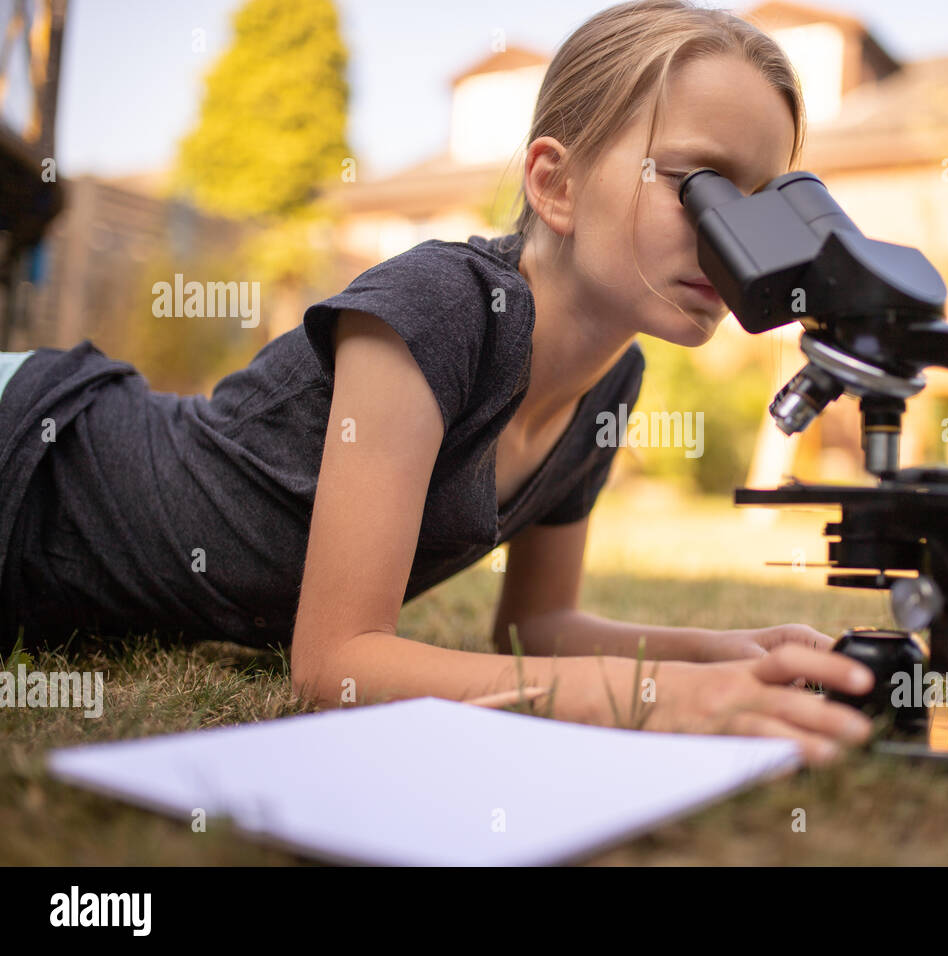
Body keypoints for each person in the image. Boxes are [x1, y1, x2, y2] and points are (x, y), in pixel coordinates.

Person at [0, 0, 874, 765]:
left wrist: (723, 657)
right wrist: (657, 701)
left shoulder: (614, 380)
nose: (734, 244)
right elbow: (336, 663)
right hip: (35, 456)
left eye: (761, 203)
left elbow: (536, 630)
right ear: (555, 184)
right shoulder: (441, 306)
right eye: (699, 184)